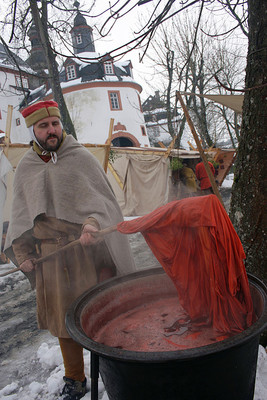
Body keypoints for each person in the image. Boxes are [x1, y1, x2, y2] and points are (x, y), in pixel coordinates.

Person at [4, 100, 136, 400]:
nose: (51, 130)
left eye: (55, 124)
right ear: (33, 129)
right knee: (64, 322)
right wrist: (23, 255)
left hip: (86, 254)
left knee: (100, 315)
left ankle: (116, 370)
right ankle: (75, 378)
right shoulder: (26, 166)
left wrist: (91, 224)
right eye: (43, 126)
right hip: (50, 260)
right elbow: (22, 217)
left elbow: (102, 203)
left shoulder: (80, 157)